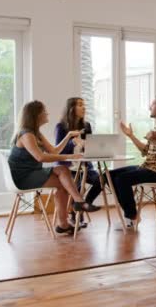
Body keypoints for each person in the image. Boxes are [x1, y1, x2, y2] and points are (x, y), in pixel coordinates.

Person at [8, 100, 98, 235]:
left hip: (32, 171)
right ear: (36, 115)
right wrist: (70, 157)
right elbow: (41, 157)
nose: (47, 113)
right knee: (63, 177)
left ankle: (67, 219)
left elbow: (54, 151)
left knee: (63, 176)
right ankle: (76, 206)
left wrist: (68, 136)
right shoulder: (26, 134)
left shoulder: (35, 133)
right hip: (23, 177)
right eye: (44, 111)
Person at [111, 93, 156, 227]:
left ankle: (131, 217)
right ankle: (131, 215)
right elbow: (145, 151)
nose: (150, 107)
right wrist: (131, 136)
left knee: (122, 179)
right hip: (147, 167)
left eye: (152, 104)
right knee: (110, 175)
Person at [55, 97, 103, 228]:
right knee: (75, 186)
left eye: (84, 105)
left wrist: (88, 145)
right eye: (80, 105)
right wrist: (72, 142)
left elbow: (91, 149)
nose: (84, 107)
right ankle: (76, 215)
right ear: (72, 109)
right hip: (68, 169)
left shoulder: (86, 126)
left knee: (102, 180)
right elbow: (58, 151)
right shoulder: (61, 127)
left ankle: (82, 205)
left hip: (85, 167)